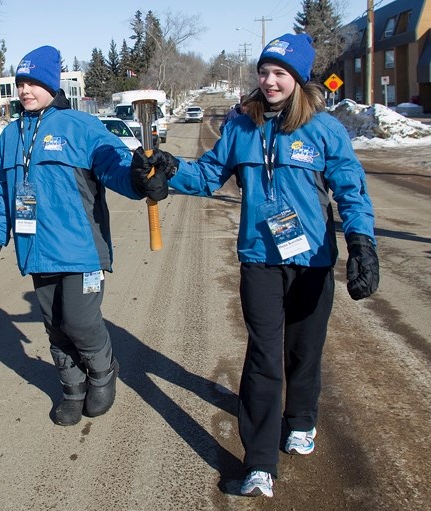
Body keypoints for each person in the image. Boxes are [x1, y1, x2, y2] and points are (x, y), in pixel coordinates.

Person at [130, 33, 379, 498]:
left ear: (299, 80)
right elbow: (207, 176)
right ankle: (260, 461)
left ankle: (301, 419)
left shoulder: (324, 129)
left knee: (303, 350)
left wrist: (362, 241)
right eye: (264, 72)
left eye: (280, 73)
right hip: (259, 259)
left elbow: (351, 187)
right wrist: (167, 166)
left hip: (313, 260)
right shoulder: (241, 127)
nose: (269, 81)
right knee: (264, 357)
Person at [0, 45, 152, 427]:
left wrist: (138, 178)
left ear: (52, 85)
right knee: (55, 325)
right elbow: (3, 195)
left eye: (33, 82)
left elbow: (116, 168)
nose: (24, 91)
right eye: (20, 83)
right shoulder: (10, 136)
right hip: (36, 249)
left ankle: (103, 372)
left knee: (80, 321)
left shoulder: (80, 126)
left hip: (81, 248)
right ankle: (72, 387)